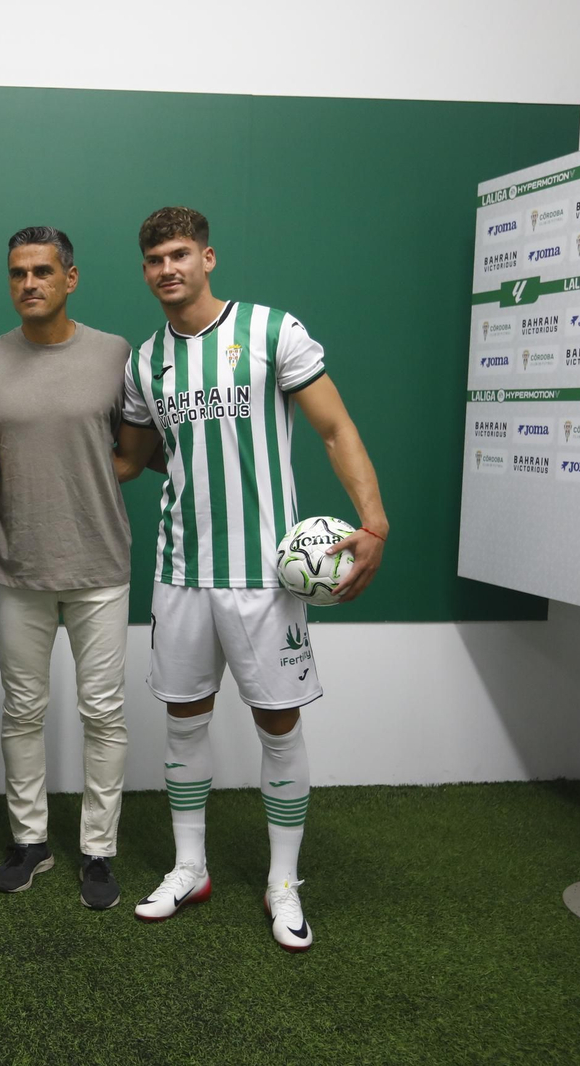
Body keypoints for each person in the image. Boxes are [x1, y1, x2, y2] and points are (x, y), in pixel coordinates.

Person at [114, 206, 388, 951]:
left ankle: (282, 882)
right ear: (144, 272)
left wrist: (373, 521)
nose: (167, 269)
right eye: (153, 260)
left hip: (269, 576)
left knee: (278, 722)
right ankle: (190, 866)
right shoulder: (144, 362)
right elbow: (135, 459)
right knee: (184, 721)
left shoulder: (272, 331)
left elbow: (335, 429)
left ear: (208, 258)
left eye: (179, 255)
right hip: (181, 570)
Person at [0, 227, 133, 910]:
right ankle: (31, 841)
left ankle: (98, 851)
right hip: (17, 563)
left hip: (100, 563)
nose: (30, 283)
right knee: (22, 710)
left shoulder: (115, 354)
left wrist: (84, 488)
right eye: (18, 273)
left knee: (103, 712)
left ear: (71, 277)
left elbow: (131, 452)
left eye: (43, 271)